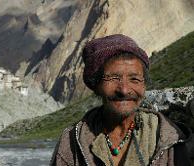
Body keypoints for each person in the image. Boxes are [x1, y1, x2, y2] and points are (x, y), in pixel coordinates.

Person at [50, 34, 191, 166]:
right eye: (113, 78)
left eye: (134, 79)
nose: (124, 90)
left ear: (144, 85)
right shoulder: (72, 141)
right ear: (96, 85)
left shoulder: (168, 138)